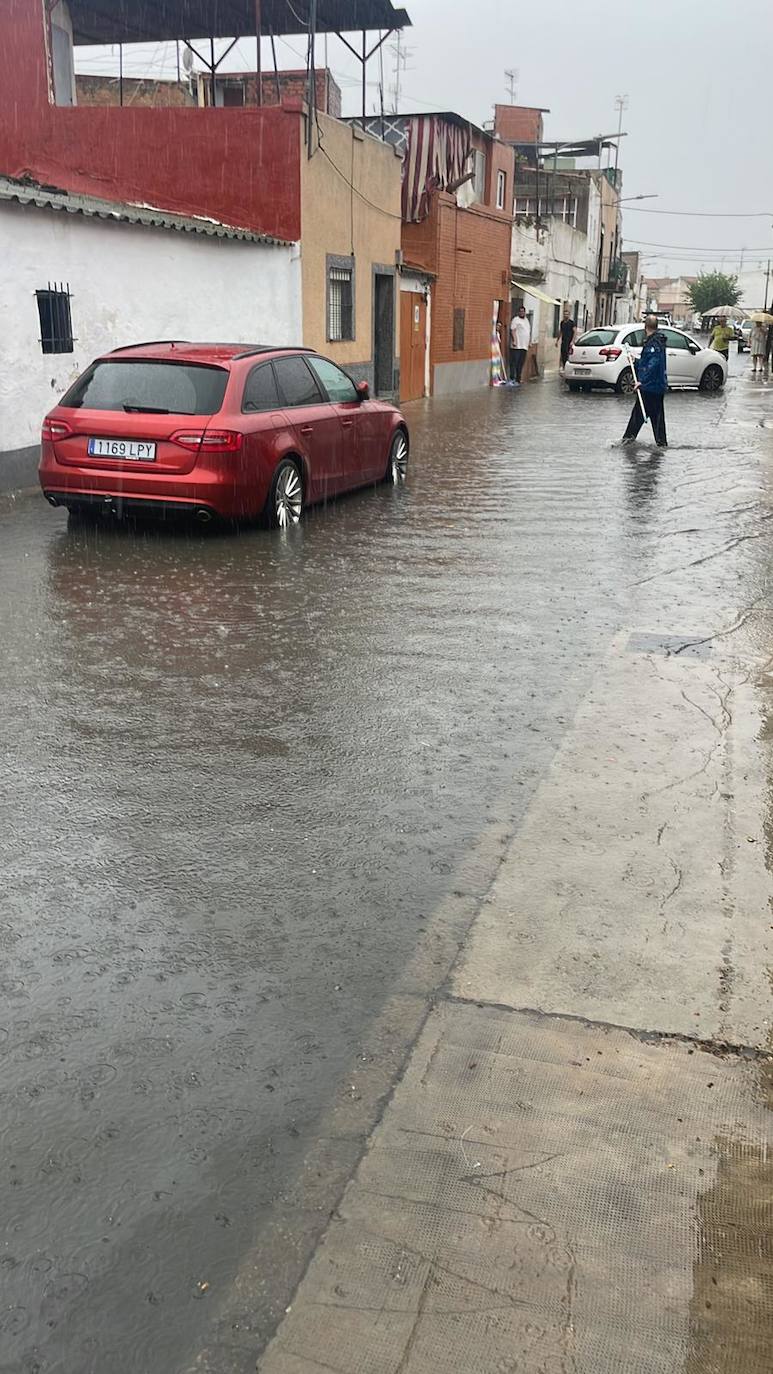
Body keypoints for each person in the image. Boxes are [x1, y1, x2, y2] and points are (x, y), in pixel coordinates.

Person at [621, 314, 668, 449]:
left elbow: (654, 363)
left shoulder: (655, 343)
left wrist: (643, 381)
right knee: (646, 416)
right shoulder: (653, 342)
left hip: (651, 388)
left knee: (650, 417)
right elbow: (646, 362)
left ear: (645, 327)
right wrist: (635, 362)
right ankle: (629, 441)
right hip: (651, 387)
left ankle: (628, 441)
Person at [509, 306, 531, 385]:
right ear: (518, 312)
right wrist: (514, 341)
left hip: (524, 346)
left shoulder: (526, 320)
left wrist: (529, 342)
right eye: (520, 311)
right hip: (517, 346)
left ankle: (518, 378)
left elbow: (528, 332)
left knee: (521, 363)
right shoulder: (515, 320)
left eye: (523, 311)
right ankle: (512, 378)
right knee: (514, 362)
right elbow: (513, 331)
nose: (522, 313)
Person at [556, 305, 576, 370]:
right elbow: (560, 332)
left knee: (568, 355)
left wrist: (572, 341)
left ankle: (568, 368)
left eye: (567, 314)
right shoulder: (562, 323)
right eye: (565, 314)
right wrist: (557, 340)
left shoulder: (571, 323)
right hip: (564, 341)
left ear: (569, 315)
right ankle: (564, 367)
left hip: (569, 342)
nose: (566, 315)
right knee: (563, 355)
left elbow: (575, 332)